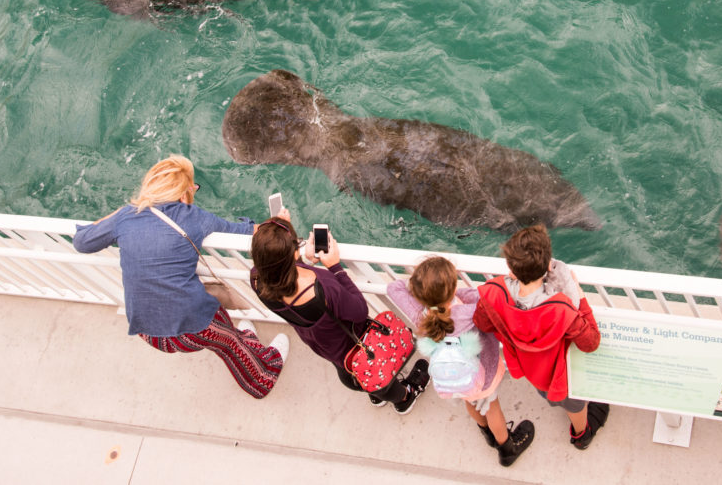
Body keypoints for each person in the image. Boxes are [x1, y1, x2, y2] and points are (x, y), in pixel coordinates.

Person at [72, 155, 286, 399]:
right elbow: (249, 232)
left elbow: (82, 242)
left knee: (225, 333)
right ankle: (263, 378)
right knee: (230, 345)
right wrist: (279, 223)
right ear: (184, 194)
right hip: (194, 330)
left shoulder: (125, 216)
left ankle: (244, 337)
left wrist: (118, 216)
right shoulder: (193, 216)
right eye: (192, 187)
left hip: (148, 331)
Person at [249, 218, 430, 413]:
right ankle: (404, 396)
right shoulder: (323, 288)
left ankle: (372, 388)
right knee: (382, 383)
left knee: (355, 374)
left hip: (329, 350)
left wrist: (302, 260)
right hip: (356, 344)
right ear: (293, 253)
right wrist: (335, 267)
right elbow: (360, 311)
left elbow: (283, 279)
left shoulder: (257, 279)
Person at [386, 255, 535, 467]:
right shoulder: (470, 312)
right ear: (454, 288)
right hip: (482, 375)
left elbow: (394, 288)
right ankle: (506, 448)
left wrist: (423, 290)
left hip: (455, 380)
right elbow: (493, 298)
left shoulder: (421, 316)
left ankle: (487, 434)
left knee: (471, 402)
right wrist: (463, 293)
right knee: (492, 408)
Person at [473, 224, 609, 449]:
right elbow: (591, 342)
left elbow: (482, 322)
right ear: (548, 265)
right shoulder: (561, 308)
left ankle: (574, 422)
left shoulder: (493, 292)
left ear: (511, 270)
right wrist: (581, 298)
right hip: (562, 376)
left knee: (550, 394)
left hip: (532, 371)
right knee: (575, 405)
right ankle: (581, 434)